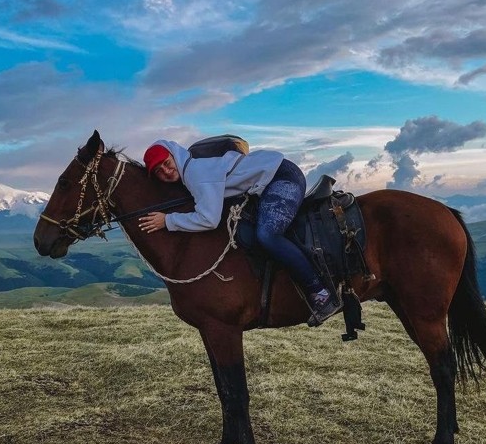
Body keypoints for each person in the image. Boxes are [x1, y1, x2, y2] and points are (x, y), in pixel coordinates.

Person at [139, 139, 340, 326]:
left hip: (281, 177)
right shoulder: (191, 169)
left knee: (267, 235)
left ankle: (320, 293)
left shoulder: (194, 173)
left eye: (166, 163)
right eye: (158, 171)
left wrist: (168, 220)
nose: (165, 171)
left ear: (174, 155)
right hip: (272, 176)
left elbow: (209, 219)